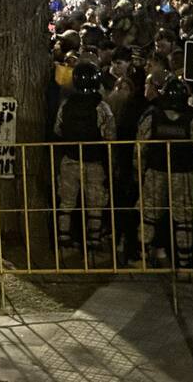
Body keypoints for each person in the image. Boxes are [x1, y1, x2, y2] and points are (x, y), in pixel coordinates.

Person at [136, 76, 193, 268]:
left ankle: (143, 257)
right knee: (184, 220)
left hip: (155, 174)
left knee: (148, 217)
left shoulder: (152, 117)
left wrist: (138, 172)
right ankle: (184, 263)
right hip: (183, 176)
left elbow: (139, 148)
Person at [53, 62, 116, 251]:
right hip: (94, 161)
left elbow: (58, 129)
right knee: (95, 203)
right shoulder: (102, 107)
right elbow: (110, 135)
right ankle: (93, 240)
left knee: (66, 201)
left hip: (70, 159)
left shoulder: (66, 105)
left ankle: (64, 239)